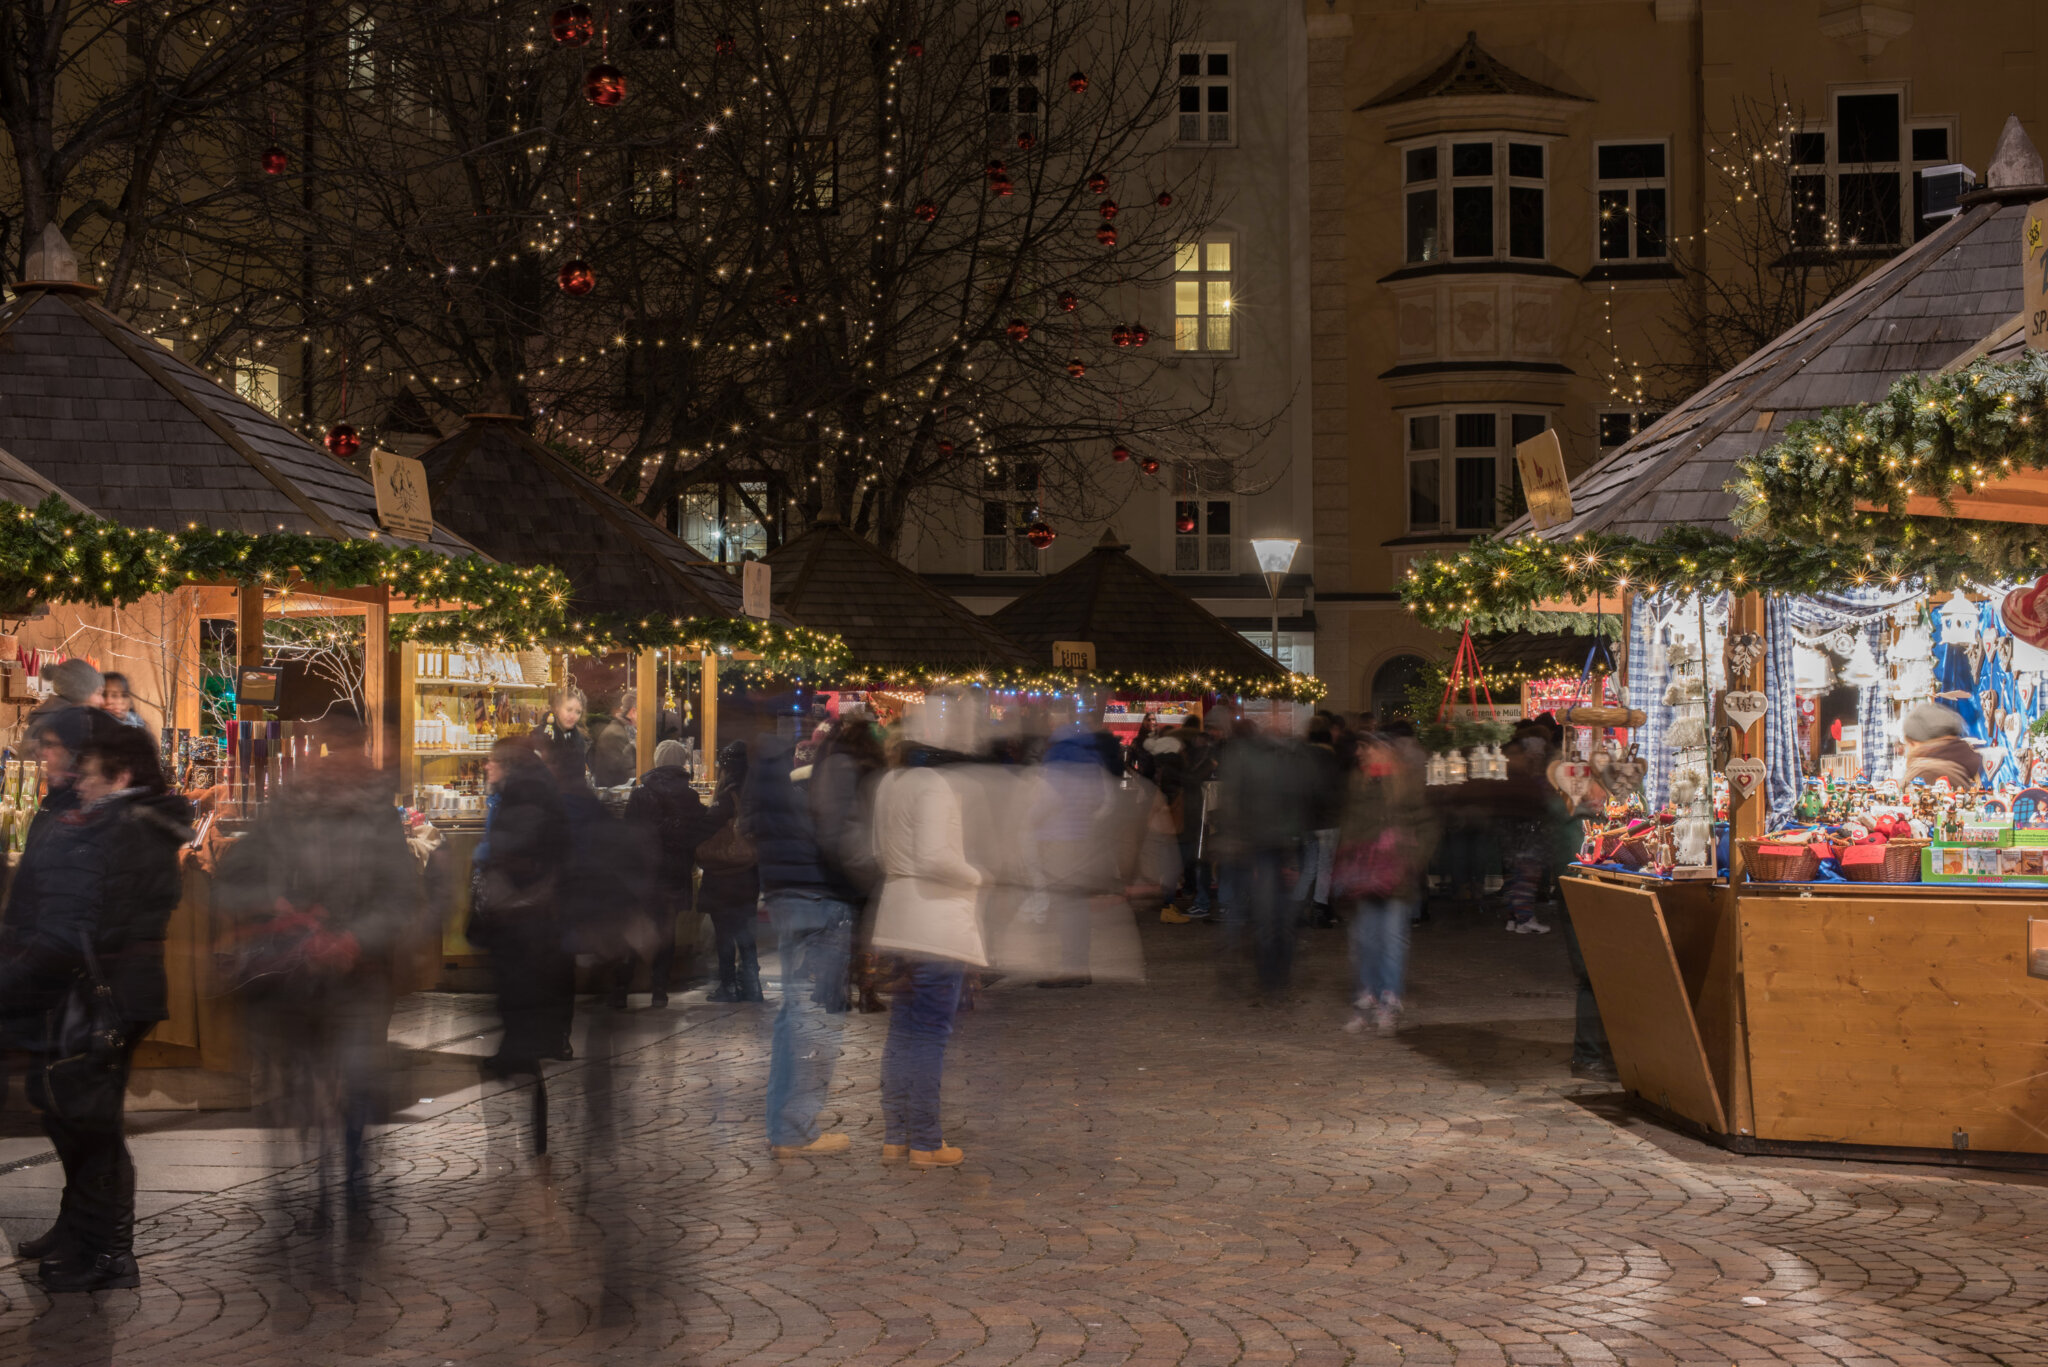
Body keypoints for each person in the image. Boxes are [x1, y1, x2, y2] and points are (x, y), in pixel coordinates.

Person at [0, 714, 191, 1291]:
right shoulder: (114, 820)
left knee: (89, 1120)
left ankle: (108, 1250)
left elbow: (71, 926)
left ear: (120, 773)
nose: (77, 778)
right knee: (67, 1110)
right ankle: (83, 1230)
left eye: (87, 769)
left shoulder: (118, 827)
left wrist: (12, 982)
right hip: (105, 987)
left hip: (102, 991)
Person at [214, 716, 421, 1215]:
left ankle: (353, 1173)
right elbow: (236, 875)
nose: (343, 757)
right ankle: (322, 1169)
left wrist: (354, 937)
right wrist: (279, 904)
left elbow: (400, 894)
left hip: (355, 969)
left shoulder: (374, 808)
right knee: (300, 1074)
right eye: (338, 746)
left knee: (354, 1071)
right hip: (297, 968)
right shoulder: (293, 803)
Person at [869, 720, 988, 1167]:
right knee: (930, 1033)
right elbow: (936, 857)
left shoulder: (891, 783)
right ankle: (926, 1141)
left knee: (902, 1029)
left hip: (897, 915)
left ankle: (895, 1136)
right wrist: (979, 877)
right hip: (934, 922)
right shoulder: (933, 784)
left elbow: (880, 853)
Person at [743, 730, 864, 1157]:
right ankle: (793, 1129)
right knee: (812, 1020)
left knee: (795, 1017)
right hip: (818, 901)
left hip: (786, 899)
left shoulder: (762, 788)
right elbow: (830, 846)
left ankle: (785, 1126)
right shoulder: (801, 790)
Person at [470, 737, 573, 1075]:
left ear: (509, 765)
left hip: (522, 908)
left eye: (493, 760)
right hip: (530, 907)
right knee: (523, 981)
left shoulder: (522, 795)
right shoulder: (527, 791)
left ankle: (520, 1049)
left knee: (518, 981)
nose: (487, 766)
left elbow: (518, 845)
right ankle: (528, 1045)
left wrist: (487, 859)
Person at [1338, 724, 1435, 1035]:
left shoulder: (1406, 783)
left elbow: (1427, 825)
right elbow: (1350, 825)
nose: (1360, 752)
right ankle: (1366, 999)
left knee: (1391, 941)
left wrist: (1410, 859)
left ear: (1385, 750)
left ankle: (1388, 1001)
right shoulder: (1359, 783)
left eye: (1367, 746)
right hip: (1365, 876)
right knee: (1366, 941)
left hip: (1396, 877)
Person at [1212, 717, 1312, 1003]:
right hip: (1266, 847)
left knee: (1273, 918)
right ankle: (1274, 978)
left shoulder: (1270, 760)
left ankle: (1274, 978)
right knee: (1274, 918)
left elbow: (1236, 804)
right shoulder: (1280, 760)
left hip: (1270, 847)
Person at [615, 739, 716, 1007]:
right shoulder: (690, 797)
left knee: (636, 931)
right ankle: (660, 990)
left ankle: (620, 993)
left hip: (644, 874)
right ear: (681, 761)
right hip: (674, 873)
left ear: (657, 761)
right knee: (666, 932)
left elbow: (629, 835)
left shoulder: (641, 793)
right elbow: (698, 832)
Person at [697, 740, 763, 1003]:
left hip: (725, 876)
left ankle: (728, 986)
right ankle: (752, 986)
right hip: (749, 873)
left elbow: (706, 828)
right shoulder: (757, 792)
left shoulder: (728, 796)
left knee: (724, 932)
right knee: (746, 932)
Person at [24, 658, 103, 750]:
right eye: (98, 693)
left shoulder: (63, 718)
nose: (101, 701)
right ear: (80, 693)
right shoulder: (59, 725)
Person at [532, 684, 590, 787]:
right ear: (557, 708)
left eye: (578, 712)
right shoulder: (541, 735)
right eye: (569, 710)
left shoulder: (578, 739)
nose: (573, 716)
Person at [587, 690, 638, 789]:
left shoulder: (623, 730)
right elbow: (622, 772)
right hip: (615, 796)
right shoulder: (617, 734)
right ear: (633, 712)